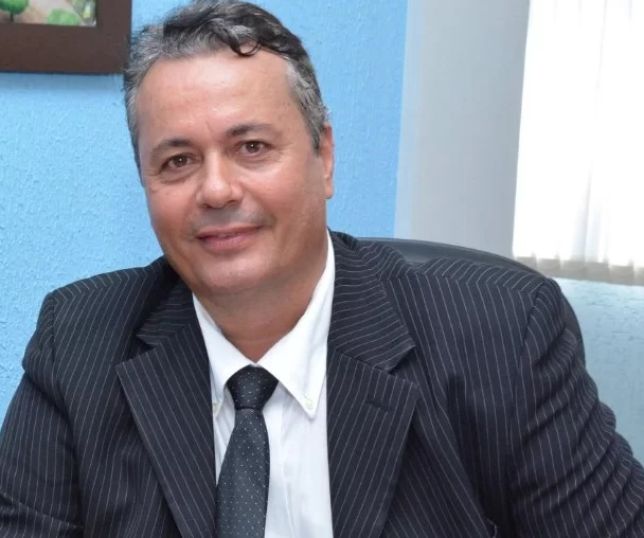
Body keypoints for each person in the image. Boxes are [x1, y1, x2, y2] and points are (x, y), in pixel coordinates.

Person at [1, 0, 643, 536]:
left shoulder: (500, 336)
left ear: (324, 157)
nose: (216, 190)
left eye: (252, 147)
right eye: (178, 161)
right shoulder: (78, 344)